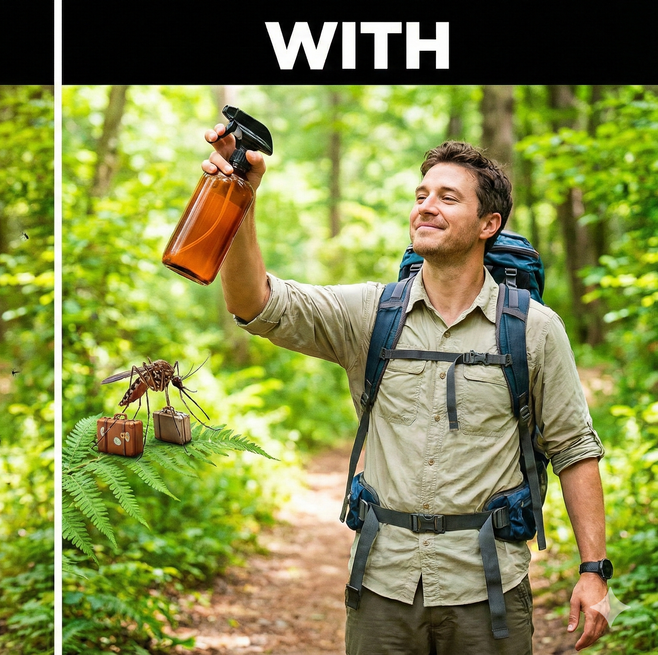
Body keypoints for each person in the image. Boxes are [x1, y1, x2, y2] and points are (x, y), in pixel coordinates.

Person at [204, 127, 610, 654]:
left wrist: (593, 571)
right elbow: (254, 303)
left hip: (489, 588)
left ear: (489, 224)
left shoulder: (534, 329)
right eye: (421, 195)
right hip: (382, 586)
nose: (426, 207)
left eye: (448, 197)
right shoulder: (372, 314)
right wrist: (241, 196)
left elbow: (574, 449)